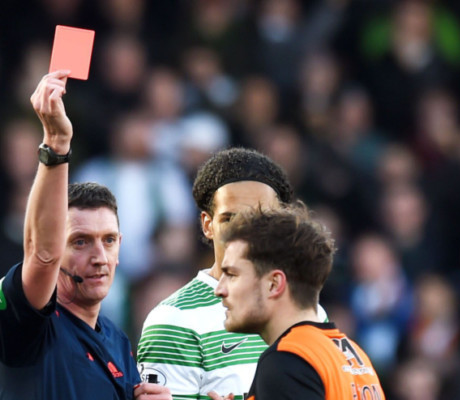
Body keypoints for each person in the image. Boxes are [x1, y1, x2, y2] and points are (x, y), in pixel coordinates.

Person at [0, 70, 171, 400]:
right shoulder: (26, 323)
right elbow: (42, 254)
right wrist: (56, 145)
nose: (99, 257)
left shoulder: (119, 341)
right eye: (80, 242)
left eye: (109, 240)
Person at [137, 148, 327, 399]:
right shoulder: (173, 322)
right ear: (208, 225)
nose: (245, 232)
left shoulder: (307, 312)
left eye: (261, 218)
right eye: (230, 219)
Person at [213, 205, 385, 399]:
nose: (219, 289)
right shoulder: (357, 358)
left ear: (274, 284)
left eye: (232, 274)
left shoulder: (287, 360)